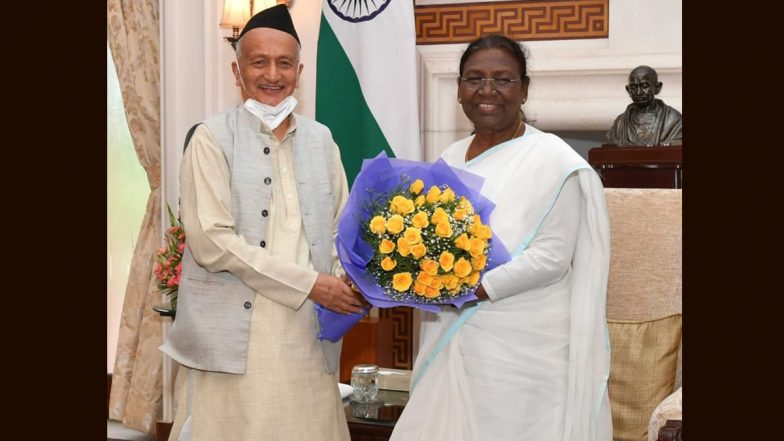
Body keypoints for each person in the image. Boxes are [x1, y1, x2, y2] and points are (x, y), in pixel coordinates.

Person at [390, 34, 613, 441]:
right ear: (459, 90)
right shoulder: (450, 157)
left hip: (525, 351)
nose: (487, 90)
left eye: (503, 79)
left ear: (524, 89)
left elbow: (552, 256)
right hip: (451, 333)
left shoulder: (555, 159)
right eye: (474, 78)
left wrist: (475, 288)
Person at [160, 5, 366, 441]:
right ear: (237, 73)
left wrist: (351, 280)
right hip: (235, 344)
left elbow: (340, 229)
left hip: (309, 340)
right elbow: (212, 243)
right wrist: (310, 284)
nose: (273, 74)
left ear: (300, 70)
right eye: (259, 62)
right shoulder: (210, 139)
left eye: (284, 63)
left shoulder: (322, 139)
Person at [607, 65, 683, 146]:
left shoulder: (673, 120)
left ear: (657, 87)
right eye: (633, 87)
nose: (639, 92)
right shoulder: (620, 124)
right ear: (628, 90)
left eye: (644, 86)